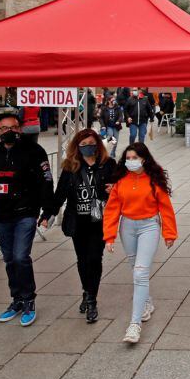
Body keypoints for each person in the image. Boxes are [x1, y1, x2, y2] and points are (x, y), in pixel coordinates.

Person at [0, 114, 55, 327]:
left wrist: (48, 211)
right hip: (3, 216)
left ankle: (28, 299)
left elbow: (46, 182)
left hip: (25, 213)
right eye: (5, 127)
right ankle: (16, 299)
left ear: (20, 129)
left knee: (20, 257)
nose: (9, 131)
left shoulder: (34, 151)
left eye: (14, 127)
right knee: (9, 259)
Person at [103, 143, 177, 343]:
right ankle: (146, 302)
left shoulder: (154, 180)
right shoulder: (120, 181)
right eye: (128, 158)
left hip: (149, 227)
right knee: (134, 267)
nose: (131, 161)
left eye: (135, 157)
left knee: (140, 272)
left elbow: (165, 207)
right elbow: (112, 209)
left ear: (144, 159)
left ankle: (134, 325)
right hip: (127, 228)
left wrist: (169, 233)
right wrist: (109, 236)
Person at [41, 129, 115, 324]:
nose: (87, 147)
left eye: (90, 143)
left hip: (98, 221)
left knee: (94, 259)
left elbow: (118, 190)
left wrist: (114, 190)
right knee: (82, 260)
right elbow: (60, 194)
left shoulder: (108, 165)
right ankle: (86, 290)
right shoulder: (70, 167)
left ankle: (91, 300)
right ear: (77, 147)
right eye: (82, 145)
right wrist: (48, 214)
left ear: (97, 144)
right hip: (78, 221)